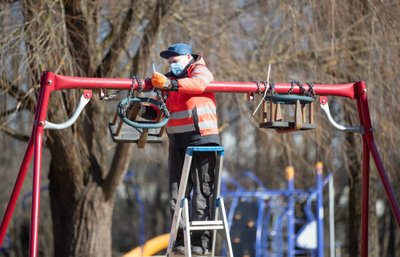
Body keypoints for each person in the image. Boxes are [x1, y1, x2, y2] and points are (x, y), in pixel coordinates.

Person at [150, 43, 220, 255]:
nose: (172, 65)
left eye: (175, 60)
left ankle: (199, 242)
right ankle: (181, 239)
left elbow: (199, 84)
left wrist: (169, 85)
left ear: (188, 57)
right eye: (169, 62)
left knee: (202, 192)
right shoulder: (168, 81)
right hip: (177, 141)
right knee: (176, 194)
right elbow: (157, 109)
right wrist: (147, 109)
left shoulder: (199, 70)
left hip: (202, 139)